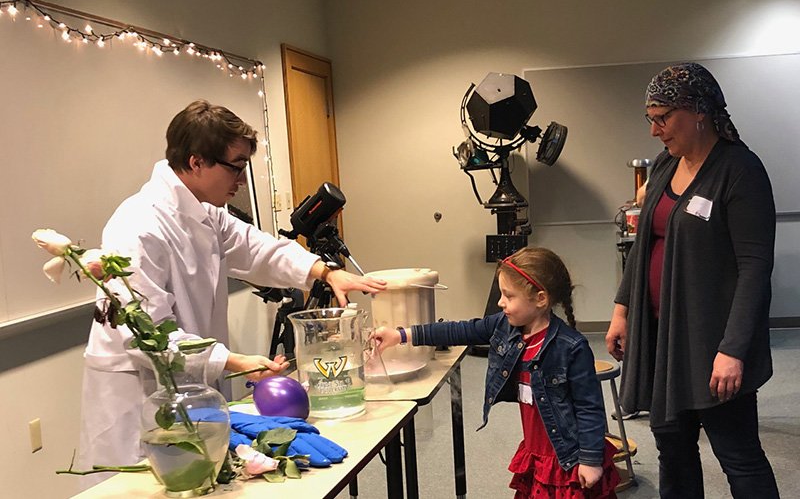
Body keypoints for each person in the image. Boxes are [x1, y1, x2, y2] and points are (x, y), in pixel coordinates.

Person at [77, 100, 387, 485]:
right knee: (141, 484)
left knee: (198, 477)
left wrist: (324, 271)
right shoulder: (139, 226)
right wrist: (235, 361)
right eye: (236, 166)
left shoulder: (205, 211)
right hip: (138, 392)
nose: (241, 180)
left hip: (188, 387)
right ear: (196, 162)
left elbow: (256, 247)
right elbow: (148, 338)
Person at [605, 63, 779, 498]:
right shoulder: (667, 165)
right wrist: (622, 309)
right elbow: (645, 243)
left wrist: (732, 350)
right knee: (674, 450)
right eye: (650, 118)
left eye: (662, 117)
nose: (654, 130)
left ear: (698, 111)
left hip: (712, 344)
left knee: (738, 455)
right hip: (663, 342)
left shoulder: (740, 170)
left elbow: (755, 267)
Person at [373, 247, 620, 498]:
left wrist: (590, 460)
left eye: (508, 296)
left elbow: (589, 408)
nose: (500, 302)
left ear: (540, 299)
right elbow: (460, 330)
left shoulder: (571, 348)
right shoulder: (505, 326)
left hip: (568, 457)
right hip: (537, 452)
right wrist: (401, 335)